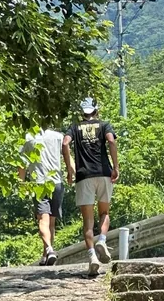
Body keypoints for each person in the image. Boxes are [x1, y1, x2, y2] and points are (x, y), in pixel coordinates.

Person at [62, 96, 119, 278]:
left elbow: (65, 143)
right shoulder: (104, 125)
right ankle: (102, 239)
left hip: (83, 175)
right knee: (104, 213)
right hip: (103, 173)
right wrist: (115, 167)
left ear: (82, 112)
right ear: (96, 110)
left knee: (87, 220)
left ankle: (92, 256)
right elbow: (111, 141)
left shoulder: (74, 127)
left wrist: (69, 170)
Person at [19, 123, 66, 267]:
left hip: (38, 184)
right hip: (56, 182)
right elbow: (66, 155)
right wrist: (71, 172)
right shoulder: (58, 137)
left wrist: (21, 183)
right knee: (51, 221)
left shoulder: (28, 138)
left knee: (43, 220)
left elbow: (22, 164)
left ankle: (49, 250)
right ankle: (46, 254)